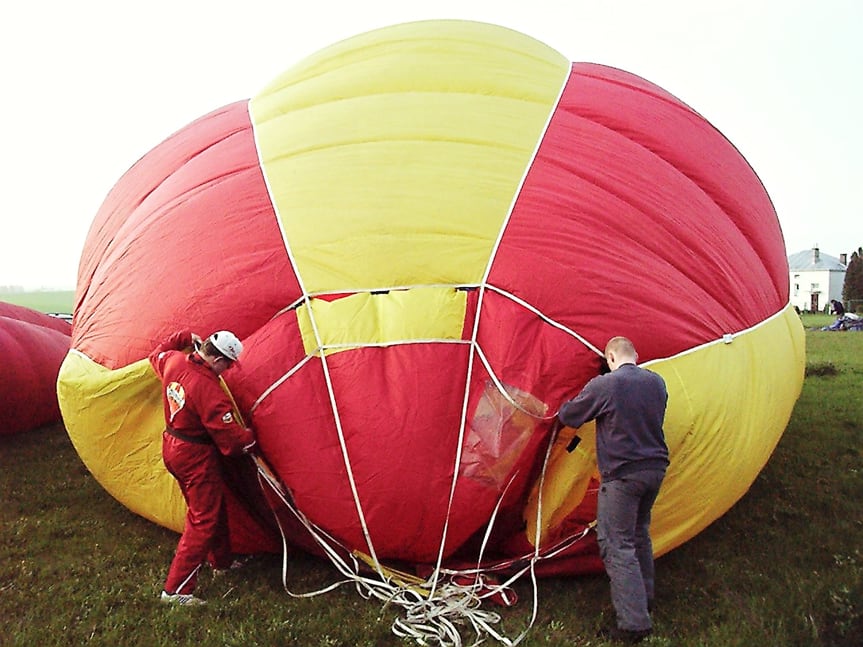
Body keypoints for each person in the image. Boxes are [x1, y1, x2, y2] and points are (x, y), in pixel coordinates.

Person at [558, 336, 668, 644]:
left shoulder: (606, 385)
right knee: (638, 534)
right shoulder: (657, 383)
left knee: (616, 543)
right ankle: (644, 598)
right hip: (655, 470)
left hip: (623, 475)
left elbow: (569, 415)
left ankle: (633, 623)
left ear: (610, 357)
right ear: (636, 355)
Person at [149, 329, 257, 606]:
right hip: (194, 456)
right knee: (202, 520)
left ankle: (221, 561)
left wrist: (183, 336)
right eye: (229, 365)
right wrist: (252, 436)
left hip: (172, 446)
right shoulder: (209, 390)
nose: (228, 371)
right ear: (220, 361)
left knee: (210, 507)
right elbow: (233, 442)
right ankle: (176, 591)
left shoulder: (173, 361)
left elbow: (156, 353)